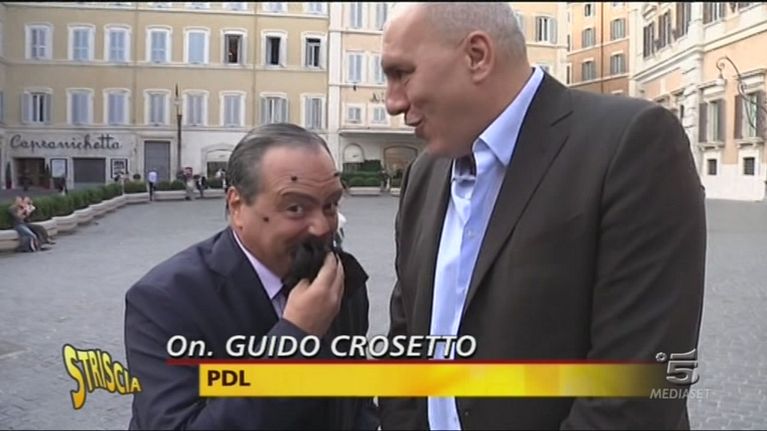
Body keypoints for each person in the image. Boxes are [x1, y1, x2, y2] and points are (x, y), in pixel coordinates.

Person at [378, 3, 706, 430]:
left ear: (477, 56)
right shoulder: (423, 173)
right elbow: (405, 345)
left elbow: (636, 389)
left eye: (401, 73)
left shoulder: (631, 144)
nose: (392, 102)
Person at [124, 123, 378, 430]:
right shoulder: (166, 301)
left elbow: (356, 399)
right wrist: (296, 339)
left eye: (330, 205)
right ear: (237, 207)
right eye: (296, 208)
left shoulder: (338, 280)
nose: (322, 227)